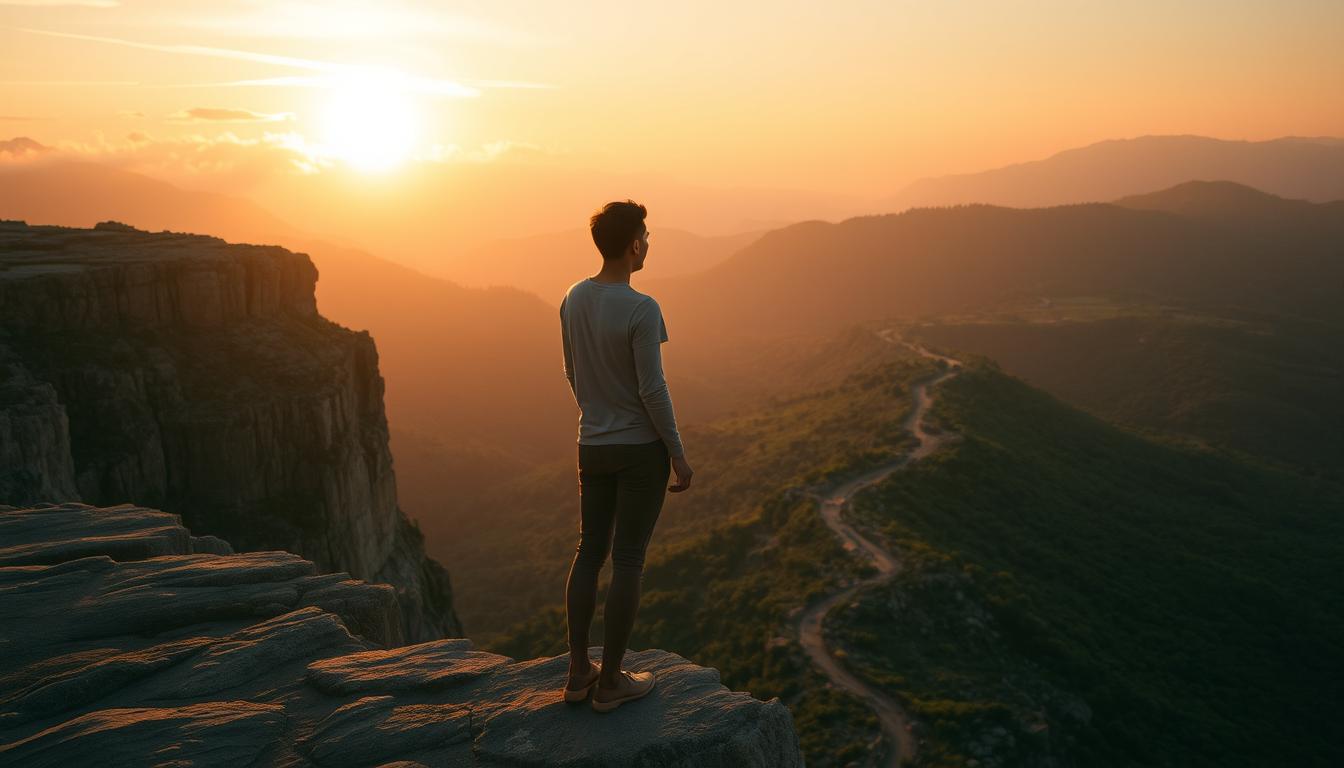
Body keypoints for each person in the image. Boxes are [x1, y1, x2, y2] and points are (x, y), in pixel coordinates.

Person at [559, 199, 694, 713]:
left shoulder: (573, 297)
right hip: (640, 451)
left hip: (590, 443)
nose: (649, 242)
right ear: (634, 242)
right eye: (647, 234)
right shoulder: (642, 308)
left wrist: (597, 412)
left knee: (588, 552)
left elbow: (572, 371)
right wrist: (677, 454)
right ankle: (612, 679)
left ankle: (578, 672)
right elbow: (652, 389)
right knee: (629, 560)